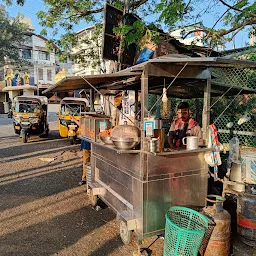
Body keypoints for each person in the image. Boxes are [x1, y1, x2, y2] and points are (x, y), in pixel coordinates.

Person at [70, 115, 90, 185]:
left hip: (89, 146)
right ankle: (84, 178)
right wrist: (74, 119)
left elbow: (79, 124)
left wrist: (74, 119)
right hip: (86, 146)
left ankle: (86, 179)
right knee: (86, 163)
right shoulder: (86, 123)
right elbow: (79, 124)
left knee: (86, 163)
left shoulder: (85, 123)